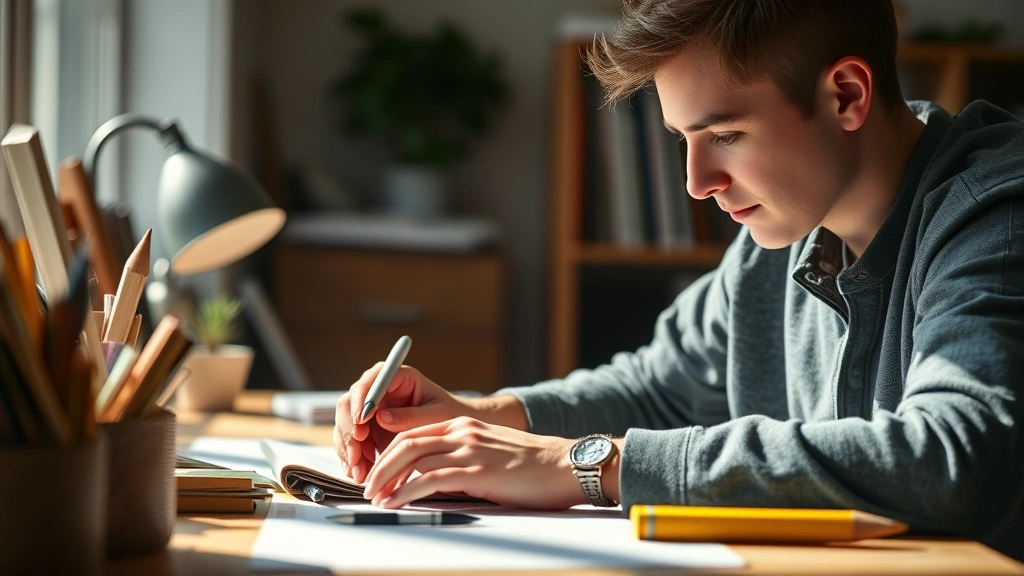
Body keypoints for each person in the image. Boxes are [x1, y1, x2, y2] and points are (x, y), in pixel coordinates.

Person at [333, 0, 1024, 560]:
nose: (698, 185)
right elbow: (662, 388)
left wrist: (587, 464)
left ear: (846, 94)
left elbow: (951, 457)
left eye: (725, 135)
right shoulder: (778, 233)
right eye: (682, 140)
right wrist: (483, 418)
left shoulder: (996, 214)